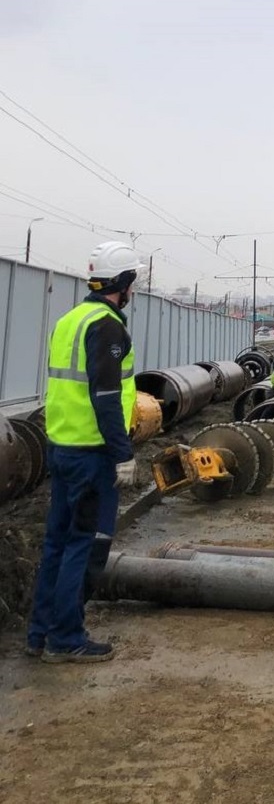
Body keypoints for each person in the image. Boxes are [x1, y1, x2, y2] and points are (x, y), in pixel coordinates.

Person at [27, 241, 142, 663]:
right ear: (125, 282)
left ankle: (39, 634)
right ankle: (66, 638)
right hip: (92, 455)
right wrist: (123, 452)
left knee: (56, 543)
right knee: (84, 544)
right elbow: (107, 395)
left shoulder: (70, 319)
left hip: (61, 446)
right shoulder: (108, 326)